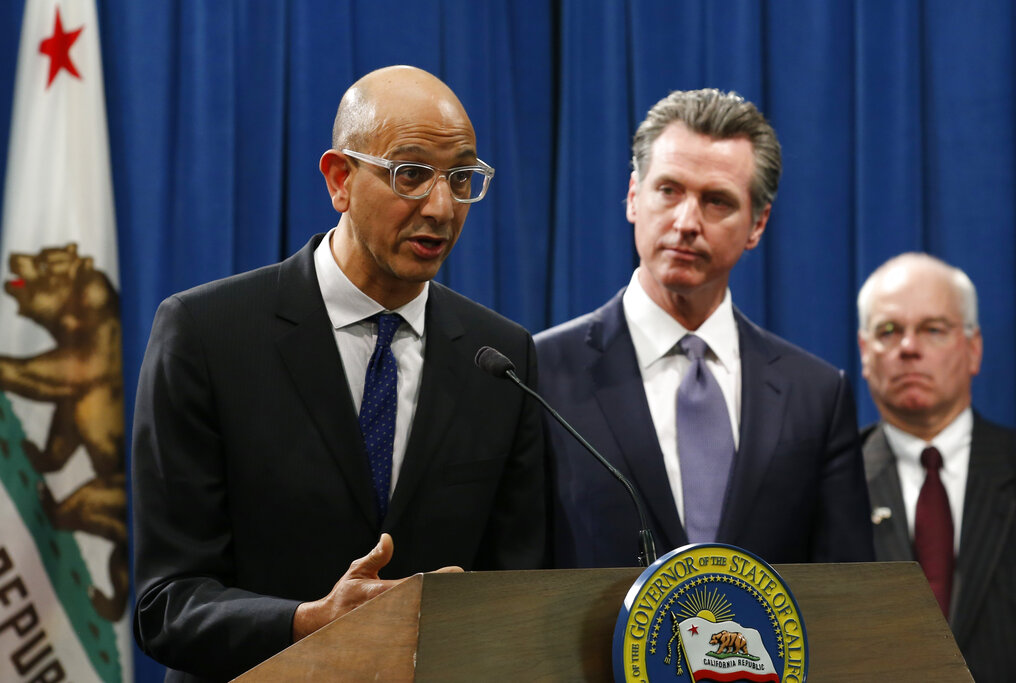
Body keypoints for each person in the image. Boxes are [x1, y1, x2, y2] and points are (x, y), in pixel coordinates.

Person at [131, 65, 546, 682]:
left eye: (460, 178)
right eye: (410, 174)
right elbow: (166, 603)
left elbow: (521, 594)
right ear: (339, 179)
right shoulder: (205, 334)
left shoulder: (499, 357)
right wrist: (309, 620)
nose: (440, 207)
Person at [534, 88, 873, 568]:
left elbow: (848, 592)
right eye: (669, 190)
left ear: (757, 224)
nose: (687, 221)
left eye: (716, 201)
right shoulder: (539, 372)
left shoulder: (816, 395)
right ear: (634, 197)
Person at [858, 253, 1015, 683]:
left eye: (933, 329)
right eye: (888, 331)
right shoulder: (832, 482)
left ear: (974, 348)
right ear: (864, 352)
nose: (909, 348)